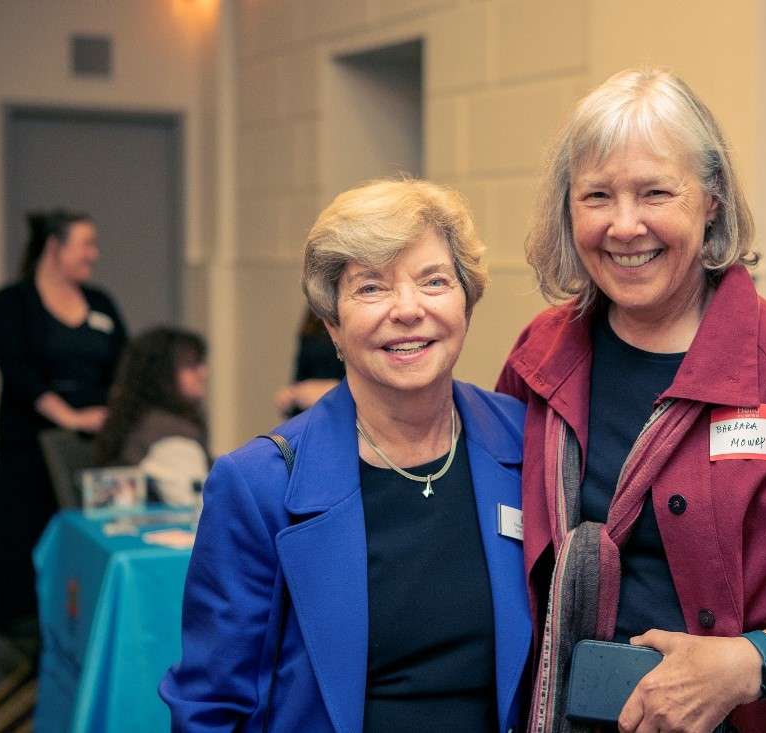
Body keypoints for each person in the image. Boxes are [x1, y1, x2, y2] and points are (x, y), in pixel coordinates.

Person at [497, 68, 766, 733]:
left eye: (655, 192)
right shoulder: (540, 358)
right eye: (597, 195)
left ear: (713, 201)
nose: (624, 224)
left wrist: (744, 664)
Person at [161, 179, 531, 732]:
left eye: (433, 281)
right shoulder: (259, 484)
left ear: (466, 303)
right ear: (332, 324)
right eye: (371, 289)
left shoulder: (527, 443)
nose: (408, 310)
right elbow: (211, 707)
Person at [0, 209, 127, 638]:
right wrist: (68, 416)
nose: (94, 254)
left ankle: (81, 619)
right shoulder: (14, 302)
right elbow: (17, 368)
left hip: (93, 444)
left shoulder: (99, 303)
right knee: (27, 532)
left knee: (87, 535)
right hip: (31, 441)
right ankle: (22, 632)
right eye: (86, 244)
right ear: (54, 247)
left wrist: (110, 415)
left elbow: (124, 363)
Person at [93, 327, 210, 506]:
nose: (203, 373)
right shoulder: (171, 435)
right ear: (161, 374)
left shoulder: (132, 418)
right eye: (191, 366)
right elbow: (200, 508)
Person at [273, 309, 342, 416]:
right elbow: (299, 377)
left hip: (340, 407)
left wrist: (328, 390)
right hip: (307, 411)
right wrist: (292, 394)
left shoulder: (347, 317)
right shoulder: (311, 324)